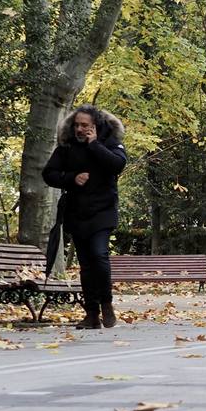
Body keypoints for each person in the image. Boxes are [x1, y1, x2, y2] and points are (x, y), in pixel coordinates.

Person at [42, 105, 128, 329]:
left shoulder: (109, 142)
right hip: (77, 212)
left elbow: (117, 164)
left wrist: (94, 144)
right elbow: (49, 174)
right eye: (77, 125)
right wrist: (71, 178)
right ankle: (91, 314)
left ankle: (106, 304)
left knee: (99, 255)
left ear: (95, 126)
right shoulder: (67, 146)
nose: (80, 129)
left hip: (103, 211)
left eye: (85, 126)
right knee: (86, 265)